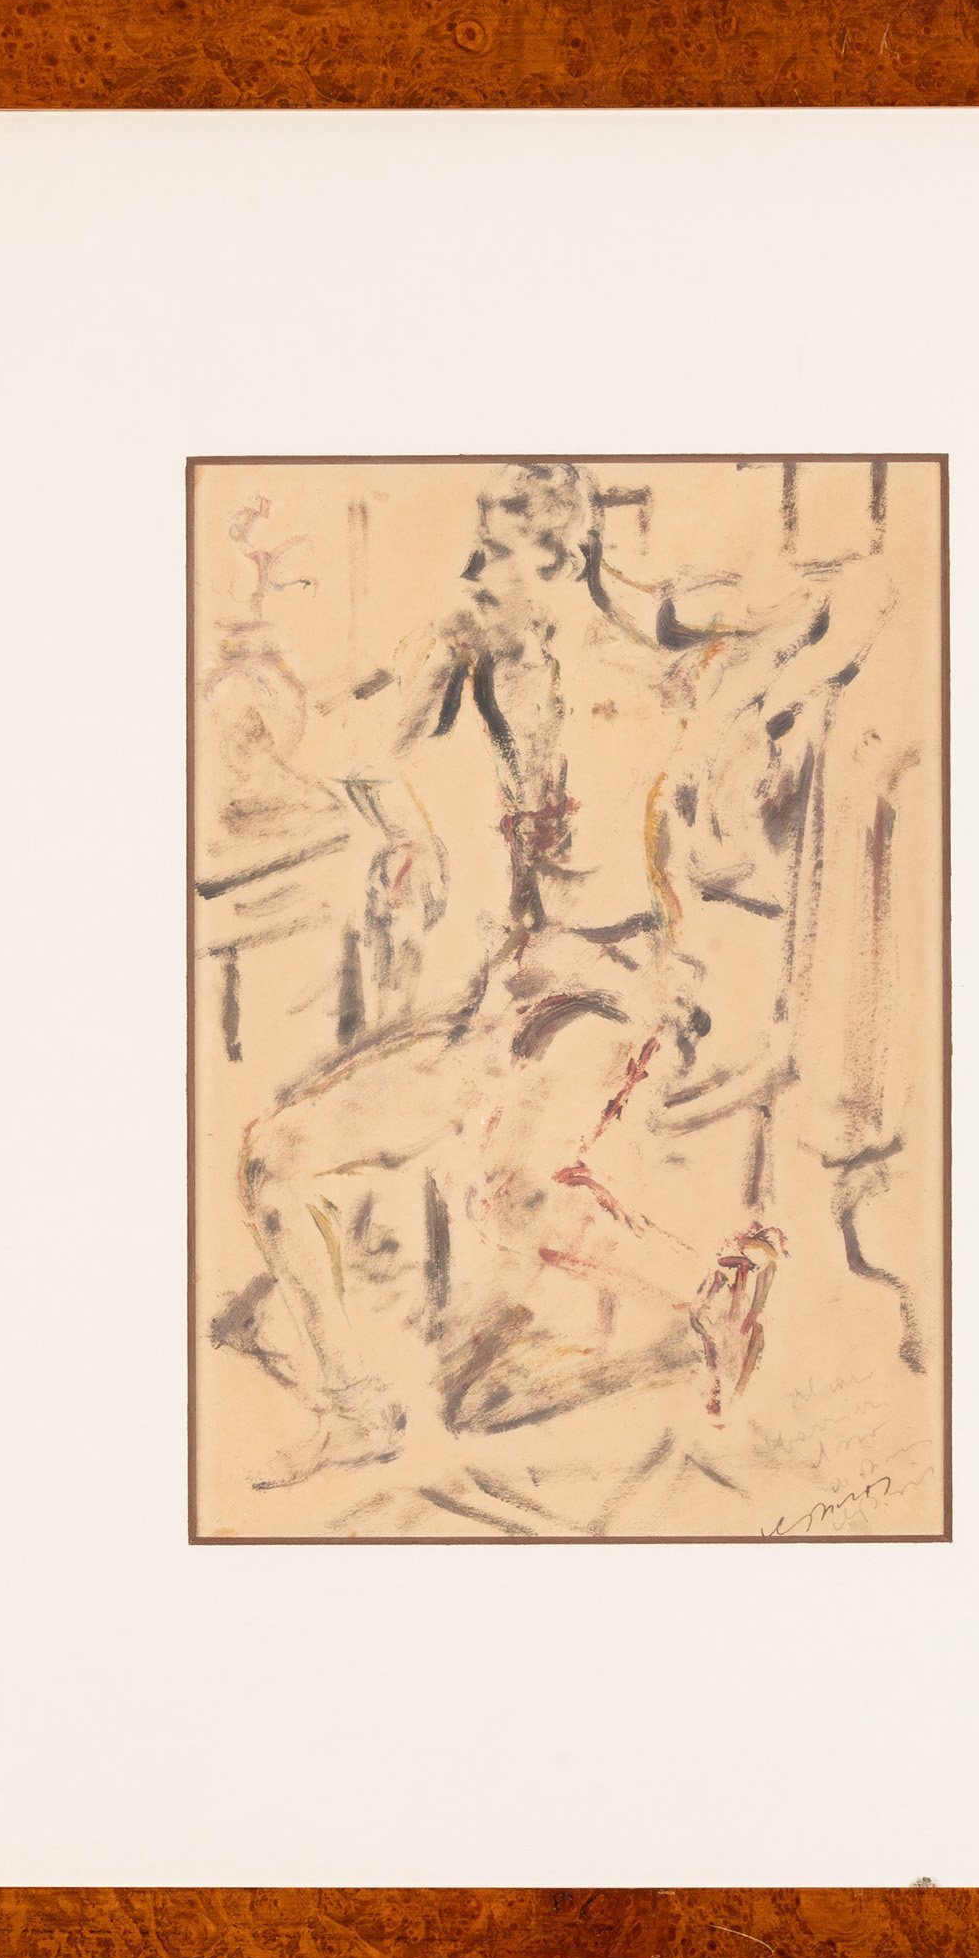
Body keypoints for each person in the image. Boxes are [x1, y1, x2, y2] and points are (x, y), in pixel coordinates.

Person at [225, 462, 898, 1487]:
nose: (470, 575)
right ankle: (355, 1409)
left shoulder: (649, 649)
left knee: (513, 1194)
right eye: (474, 551)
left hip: (616, 990)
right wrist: (373, 799)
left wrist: (752, 715)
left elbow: (861, 600)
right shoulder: (477, 655)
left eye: (490, 555)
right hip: (508, 1000)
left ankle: (715, 1287)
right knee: (275, 1158)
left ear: (559, 558)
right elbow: (360, 749)